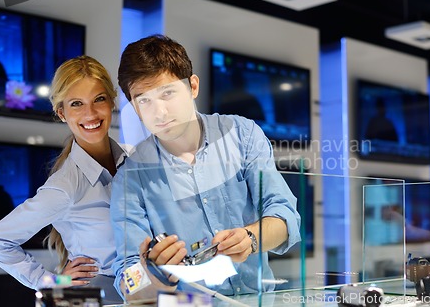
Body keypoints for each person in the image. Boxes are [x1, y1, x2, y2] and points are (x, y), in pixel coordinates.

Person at [110, 34, 301, 301]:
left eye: (168, 93)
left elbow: (285, 216)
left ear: (193, 86)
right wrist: (155, 273)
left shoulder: (242, 134)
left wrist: (251, 237)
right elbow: (126, 281)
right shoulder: (130, 178)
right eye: (144, 100)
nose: (159, 113)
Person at [0, 55, 127, 305]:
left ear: (111, 102)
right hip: (96, 299)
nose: (90, 113)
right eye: (77, 103)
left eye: (99, 99)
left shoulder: (133, 161)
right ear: (62, 113)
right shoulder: (65, 186)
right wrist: (53, 282)